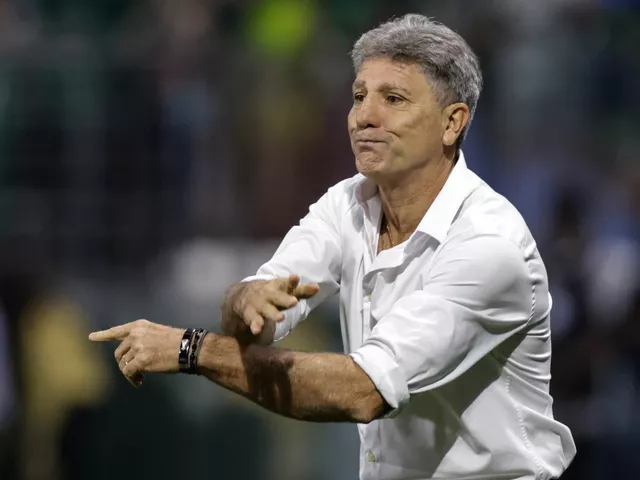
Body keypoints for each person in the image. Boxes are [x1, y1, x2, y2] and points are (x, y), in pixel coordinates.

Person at [90, 14, 576, 480]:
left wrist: (190, 349)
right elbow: (256, 316)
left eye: (393, 99)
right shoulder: (347, 204)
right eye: (359, 96)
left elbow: (361, 391)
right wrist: (245, 302)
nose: (365, 116)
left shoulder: (487, 245)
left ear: (452, 123)